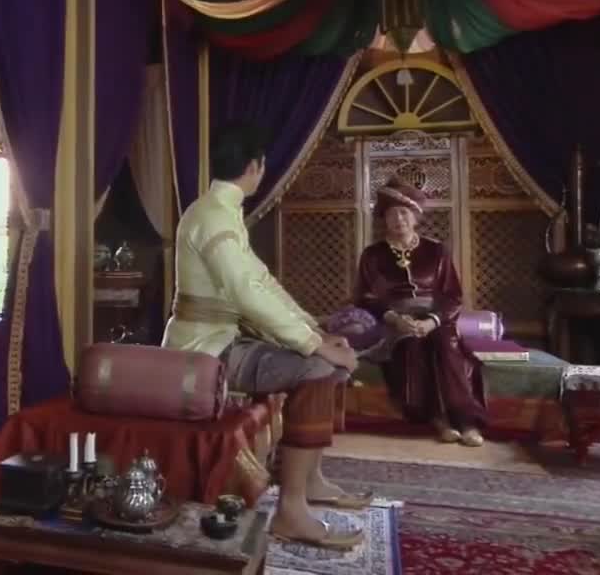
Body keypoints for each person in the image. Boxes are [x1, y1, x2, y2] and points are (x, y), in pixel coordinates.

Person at [163, 122, 366, 550]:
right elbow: (247, 294)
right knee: (316, 368)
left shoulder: (221, 212)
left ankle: (311, 480)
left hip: (226, 340)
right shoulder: (212, 217)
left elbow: (262, 282)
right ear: (255, 166)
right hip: (205, 352)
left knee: (329, 363)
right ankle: (291, 511)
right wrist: (314, 345)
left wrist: (315, 331)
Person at [353, 177, 488, 446]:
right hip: (395, 320)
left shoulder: (437, 251)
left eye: (404, 213)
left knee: (446, 344)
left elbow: (453, 296)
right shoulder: (372, 255)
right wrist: (394, 319)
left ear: (415, 217)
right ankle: (439, 419)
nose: (398, 219)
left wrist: (432, 321)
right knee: (412, 346)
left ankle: (466, 421)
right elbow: (365, 297)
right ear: (384, 219)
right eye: (392, 214)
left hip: (436, 318)